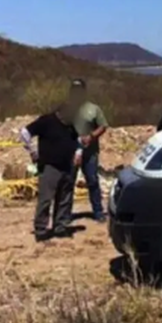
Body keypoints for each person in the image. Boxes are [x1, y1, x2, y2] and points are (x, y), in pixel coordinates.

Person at [21, 103, 82, 241]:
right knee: (46, 199)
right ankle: (41, 229)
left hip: (67, 166)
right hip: (49, 166)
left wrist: (79, 153)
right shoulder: (46, 121)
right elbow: (25, 132)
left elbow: (78, 140)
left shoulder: (71, 125)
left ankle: (60, 227)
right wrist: (31, 150)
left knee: (64, 199)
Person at [68, 79, 109, 223]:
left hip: (90, 152)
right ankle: (65, 214)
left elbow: (103, 126)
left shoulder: (93, 109)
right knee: (68, 182)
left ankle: (98, 212)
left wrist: (92, 136)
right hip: (71, 153)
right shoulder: (67, 109)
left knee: (92, 181)